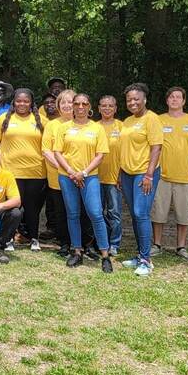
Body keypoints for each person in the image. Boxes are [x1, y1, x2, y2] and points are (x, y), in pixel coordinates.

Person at [53, 93, 113, 272]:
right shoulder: (63, 127)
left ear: (89, 106)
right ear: (72, 106)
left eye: (84, 104)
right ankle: (77, 251)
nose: (80, 107)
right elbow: (57, 152)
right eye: (76, 104)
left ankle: (105, 254)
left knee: (95, 213)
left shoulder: (97, 128)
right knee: (72, 214)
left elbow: (100, 154)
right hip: (67, 176)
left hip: (90, 176)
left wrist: (84, 173)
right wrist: (71, 172)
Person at [151, 87, 188, 259]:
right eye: (171, 97)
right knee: (158, 212)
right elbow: (152, 145)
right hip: (161, 176)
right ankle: (157, 244)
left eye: (178, 97)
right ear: (167, 101)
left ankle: (181, 247)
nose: (175, 100)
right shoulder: (157, 120)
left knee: (184, 214)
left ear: (183, 101)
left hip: (185, 176)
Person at [0, 89, 45, 252]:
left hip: (36, 172)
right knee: (13, 208)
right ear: (14, 102)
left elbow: (48, 146)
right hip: (10, 172)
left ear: (31, 103)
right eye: (19, 101)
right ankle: (9, 239)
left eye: (26, 101)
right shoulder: (3, 120)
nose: (22, 104)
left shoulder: (41, 120)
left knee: (32, 208)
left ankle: (34, 238)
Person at [118, 83, 163, 277]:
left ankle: (146, 260)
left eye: (136, 99)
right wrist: (120, 172)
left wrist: (149, 174)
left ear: (145, 99)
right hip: (127, 173)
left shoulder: (152, 119)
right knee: (135, 215)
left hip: (144, 173)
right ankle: (139, 255)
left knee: (141, 212)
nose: (132, 102)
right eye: (129, 99)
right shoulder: (127, 121)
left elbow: (156, 147)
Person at [41, 89, 75, 257]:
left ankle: (81, 242)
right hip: (58, 177)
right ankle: (64, 243)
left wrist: (76, 172)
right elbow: (46, 151)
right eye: (63, 102)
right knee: (61, 212)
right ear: (58, 106)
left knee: (78, 211)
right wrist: (64, 169)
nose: (67, 105)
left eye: (70, 102)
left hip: (79, 177)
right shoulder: (52, 125)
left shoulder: (85, 123)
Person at [97, 95, 124, 258]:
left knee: (114, 213)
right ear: (98, 108)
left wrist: (121, 174)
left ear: (115, 108)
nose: (107, 108)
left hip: (115, 178)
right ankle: (101, 241)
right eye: (104, 106)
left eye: (110, 106)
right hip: (94, 178)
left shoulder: (121, 127)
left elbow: (127, 152)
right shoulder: (93, 126)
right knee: (97, 212)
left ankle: (114, 243)